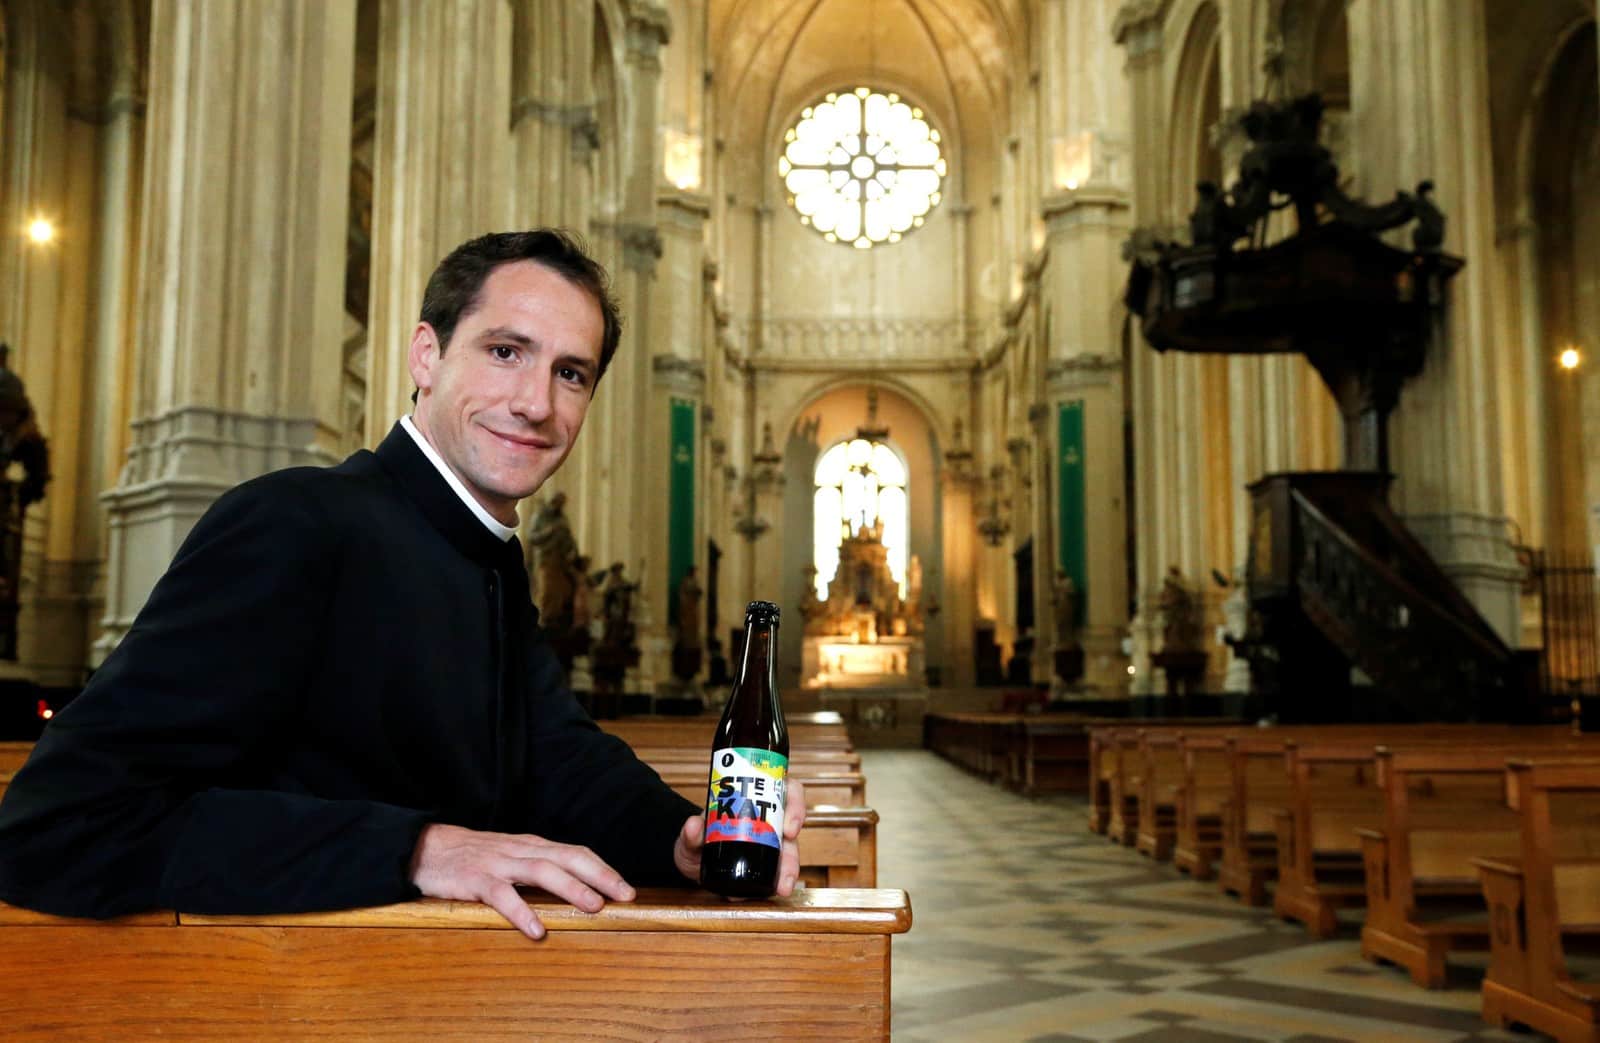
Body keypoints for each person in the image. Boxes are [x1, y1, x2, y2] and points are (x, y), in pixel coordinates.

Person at [0, 230, 805, 939]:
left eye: (570, 373)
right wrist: (414, 847)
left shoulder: (488, 557)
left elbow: (555, 755)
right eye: (505, 351)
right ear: (426, 354)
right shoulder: (296, 523)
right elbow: (60, 823)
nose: (535, 402)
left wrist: (680, 838)